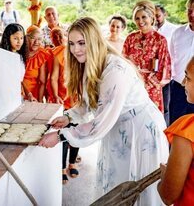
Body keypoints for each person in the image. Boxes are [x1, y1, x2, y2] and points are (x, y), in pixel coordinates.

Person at [39, 17, 169, 205]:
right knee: (116, 185)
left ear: (94, 41)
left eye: (82, 43)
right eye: (72, 44)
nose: (76, 50)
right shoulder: (89, 64)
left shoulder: (115, 70)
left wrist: (61, 136)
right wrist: (69, 117)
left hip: (139, 131)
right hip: (117, 128)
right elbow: (88, 102)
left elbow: (102, 120)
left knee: (137, 189)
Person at [157, 56, 194, 205]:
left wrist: (165, 176)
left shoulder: (187, 130)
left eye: (188, 78)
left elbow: (168, 195)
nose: (183, 83)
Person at [123, 0, 171, 113]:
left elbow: (164, 66)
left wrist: (148, 83)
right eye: (137, 18)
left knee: (151, 119)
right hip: (132, 85)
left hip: (152, 87)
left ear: (151, 18)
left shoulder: (160, 40)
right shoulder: (130, 38)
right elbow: (123, 62)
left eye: (144, 17)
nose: (141, 21)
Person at [48, 26, 79, 184]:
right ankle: (61, 169)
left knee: (77, 132)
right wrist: (56, 95)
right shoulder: (58, 53)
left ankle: (72, 163)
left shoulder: (80, 52)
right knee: (64, 135)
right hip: (63, 99)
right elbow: (54, 77)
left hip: (78, 101)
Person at [169, 0, 194, 125]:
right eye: (189, 10)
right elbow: (172, 57)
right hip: (178, 89)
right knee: (175, 125)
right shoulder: (177, 33)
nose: (192, 14)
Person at [155, 4, 178, 126]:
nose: (156, 19)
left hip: (168, 77)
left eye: (158, 16)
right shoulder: (150, 30)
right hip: (151, 77)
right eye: (153, 16)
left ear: (165, 15)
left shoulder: (174, 30)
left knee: (167, 108)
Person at [0, 23, 27, 98]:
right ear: (8, 38)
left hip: (16, 95)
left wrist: (28, 93)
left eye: (21, 38)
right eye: (15, 38)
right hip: (5, 95)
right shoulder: (2, 56)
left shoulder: (20, 56)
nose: (19, 41)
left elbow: (20, 79)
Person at [22, 25, 48, 102]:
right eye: (33, 38)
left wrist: (40, 100)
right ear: (26, 38)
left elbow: (42, 82)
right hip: (18, 92)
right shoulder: (19, 52)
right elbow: (17, 78)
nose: (36, 42)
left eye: (39, 39)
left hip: (34, 96)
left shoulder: (41, 54)